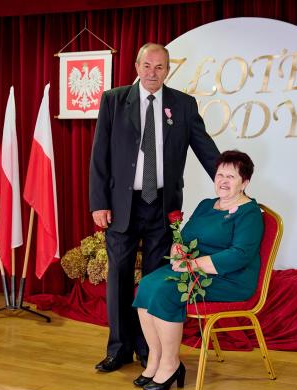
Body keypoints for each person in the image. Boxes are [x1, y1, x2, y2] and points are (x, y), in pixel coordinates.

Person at [89, 43, 220, 373]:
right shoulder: (114, 100)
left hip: (162, 206)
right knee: (118, 277)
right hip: (121, 205)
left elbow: (206, 149)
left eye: (159, 67)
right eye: (147, 66)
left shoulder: (183, 105)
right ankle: (119, 349)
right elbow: (99, 155)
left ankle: (151, 350)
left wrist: (229, 180)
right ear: (137, 66)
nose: (152, 73)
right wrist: (99, 203)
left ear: (168, 70)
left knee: (155, 281)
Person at [132, 150, 264, 390]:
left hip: (229, 278)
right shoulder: (206, 205)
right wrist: (177, 251)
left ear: (245, 183)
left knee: (166, 292)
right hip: (192, 269)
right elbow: (183, 237)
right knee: (147, 285)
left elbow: (240, 255)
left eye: (231, 177)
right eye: (220, 175)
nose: (223, 181)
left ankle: (171, 364)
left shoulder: (250, 213)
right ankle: (155, 359)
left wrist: (192, 264)